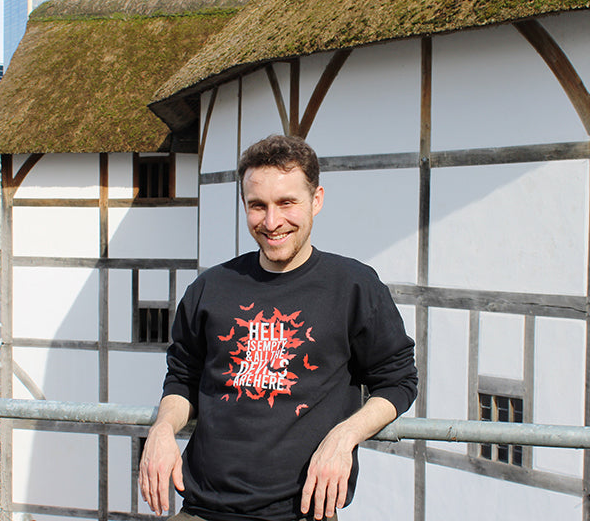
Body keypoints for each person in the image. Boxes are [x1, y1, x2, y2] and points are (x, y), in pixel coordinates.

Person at [139, 135, 417, 521]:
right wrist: (163, 428)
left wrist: (345, 436)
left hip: (302, 512)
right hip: (201, 508)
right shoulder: (209, 287)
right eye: (258, 206)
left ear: (316, 200)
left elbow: (398, 382)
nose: (272, 222)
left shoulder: (353, 286)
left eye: (287, 203)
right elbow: (183, 377)